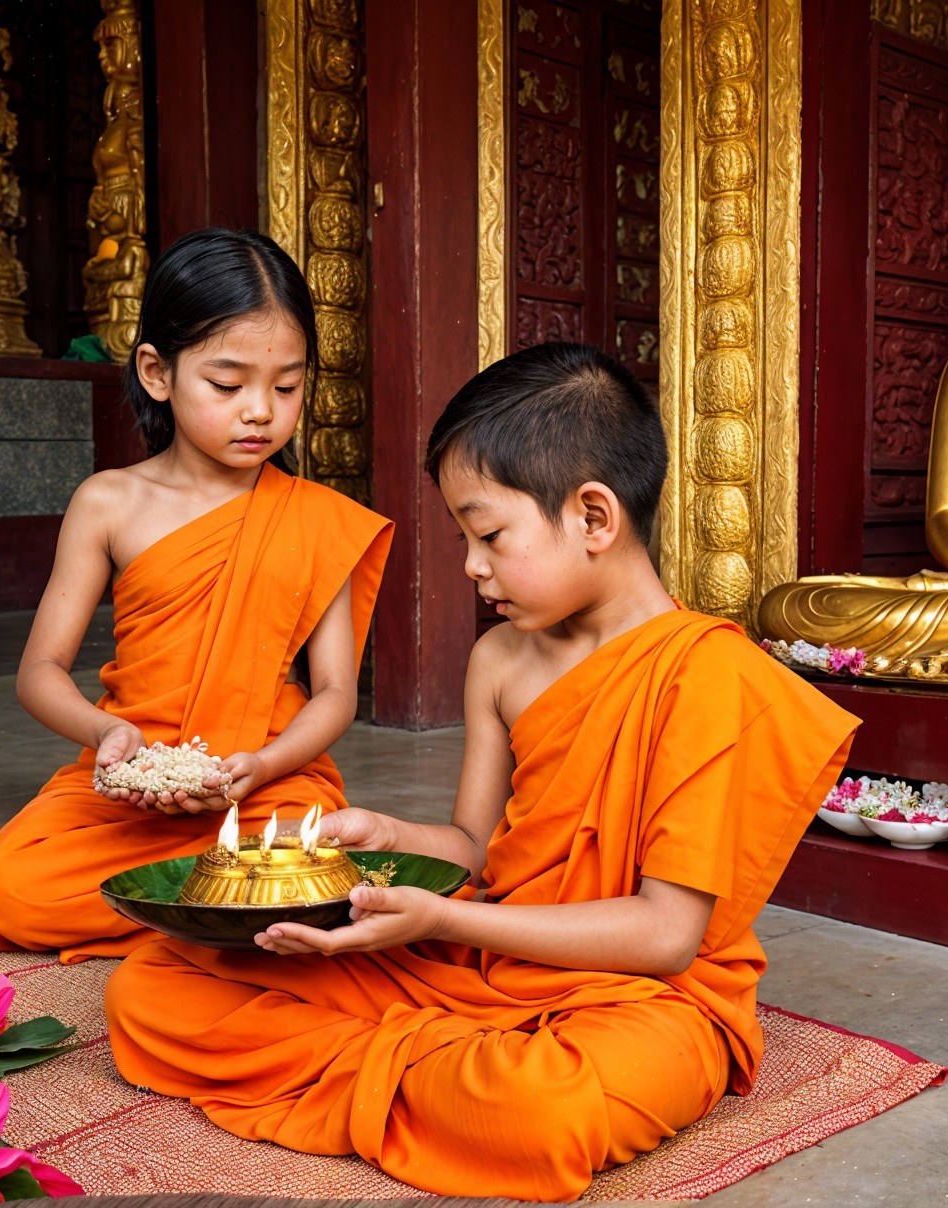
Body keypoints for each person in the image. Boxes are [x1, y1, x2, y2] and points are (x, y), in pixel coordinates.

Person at [104, 343, 860, 1201]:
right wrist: (386, 836)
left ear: (594, 517)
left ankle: (422, 1069)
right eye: (465, 538)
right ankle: (439, 1073)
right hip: (479, 961)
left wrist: (435, 922)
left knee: (544, 1110)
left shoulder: (707, 674)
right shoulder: (500, 660)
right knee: (150, 987)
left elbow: (665, 935)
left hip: (642, 998)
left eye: (490, 534)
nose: (472, 565)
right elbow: (471, 844)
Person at [0, 228, 391, 962]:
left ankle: (188, 905)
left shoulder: (316, 519)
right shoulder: (109, 503)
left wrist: (260, 766)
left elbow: (333, 694)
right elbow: (39, 673)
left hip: (265, 781)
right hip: (129, 785)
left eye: (287, 386)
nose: (260, 409)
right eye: (228, 385)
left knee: (310, 863)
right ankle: (214, 914)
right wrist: (108, 739)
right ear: (157, 372)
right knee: (10, 887)